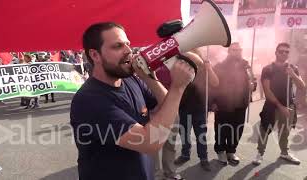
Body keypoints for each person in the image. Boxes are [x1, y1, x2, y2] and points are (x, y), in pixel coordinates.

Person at [70, 22, 196, 180]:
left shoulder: (131, 80)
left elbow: (168, 108)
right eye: (117, 46)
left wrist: (149, 78)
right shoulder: (89, 100)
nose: (129, 51)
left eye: (128, 44)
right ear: (95, 55)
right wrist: (177, 88)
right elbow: (151, 142)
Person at [252, 43, 306, 165]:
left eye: (287, 52)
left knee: (285, 131)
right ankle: (260, 153)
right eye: (281, 51)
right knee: (265, 129)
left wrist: (292, 74)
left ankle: (284, 153)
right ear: (276, 52)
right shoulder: (268, 69)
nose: (284, 54)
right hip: (272, 105)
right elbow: (267, 90)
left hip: (289, 105)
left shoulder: (293, 68)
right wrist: (280, 107)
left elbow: (302, 87)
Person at [174, 49, 219, 171]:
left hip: (200, 108)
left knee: (201, 135)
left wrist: (209, 68)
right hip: (184, 107)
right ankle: (185, 154)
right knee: (184, 133)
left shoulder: (204, 68)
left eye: (194, 56)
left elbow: (215, 83)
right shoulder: (182, 68)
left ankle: (203, 158)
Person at [212, 42, 256, 165]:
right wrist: (213, 102)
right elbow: (213, 85)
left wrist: (253, 85)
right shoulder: (220, 66)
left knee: (237, 129)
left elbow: (253, 80)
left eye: (239, 50)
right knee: (222, 129)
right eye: (234, 50)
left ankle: (231, 151)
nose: (237, 52)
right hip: (223, 104)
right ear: (229, 52)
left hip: (240, 104)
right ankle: (220, 150)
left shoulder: (246, 65)